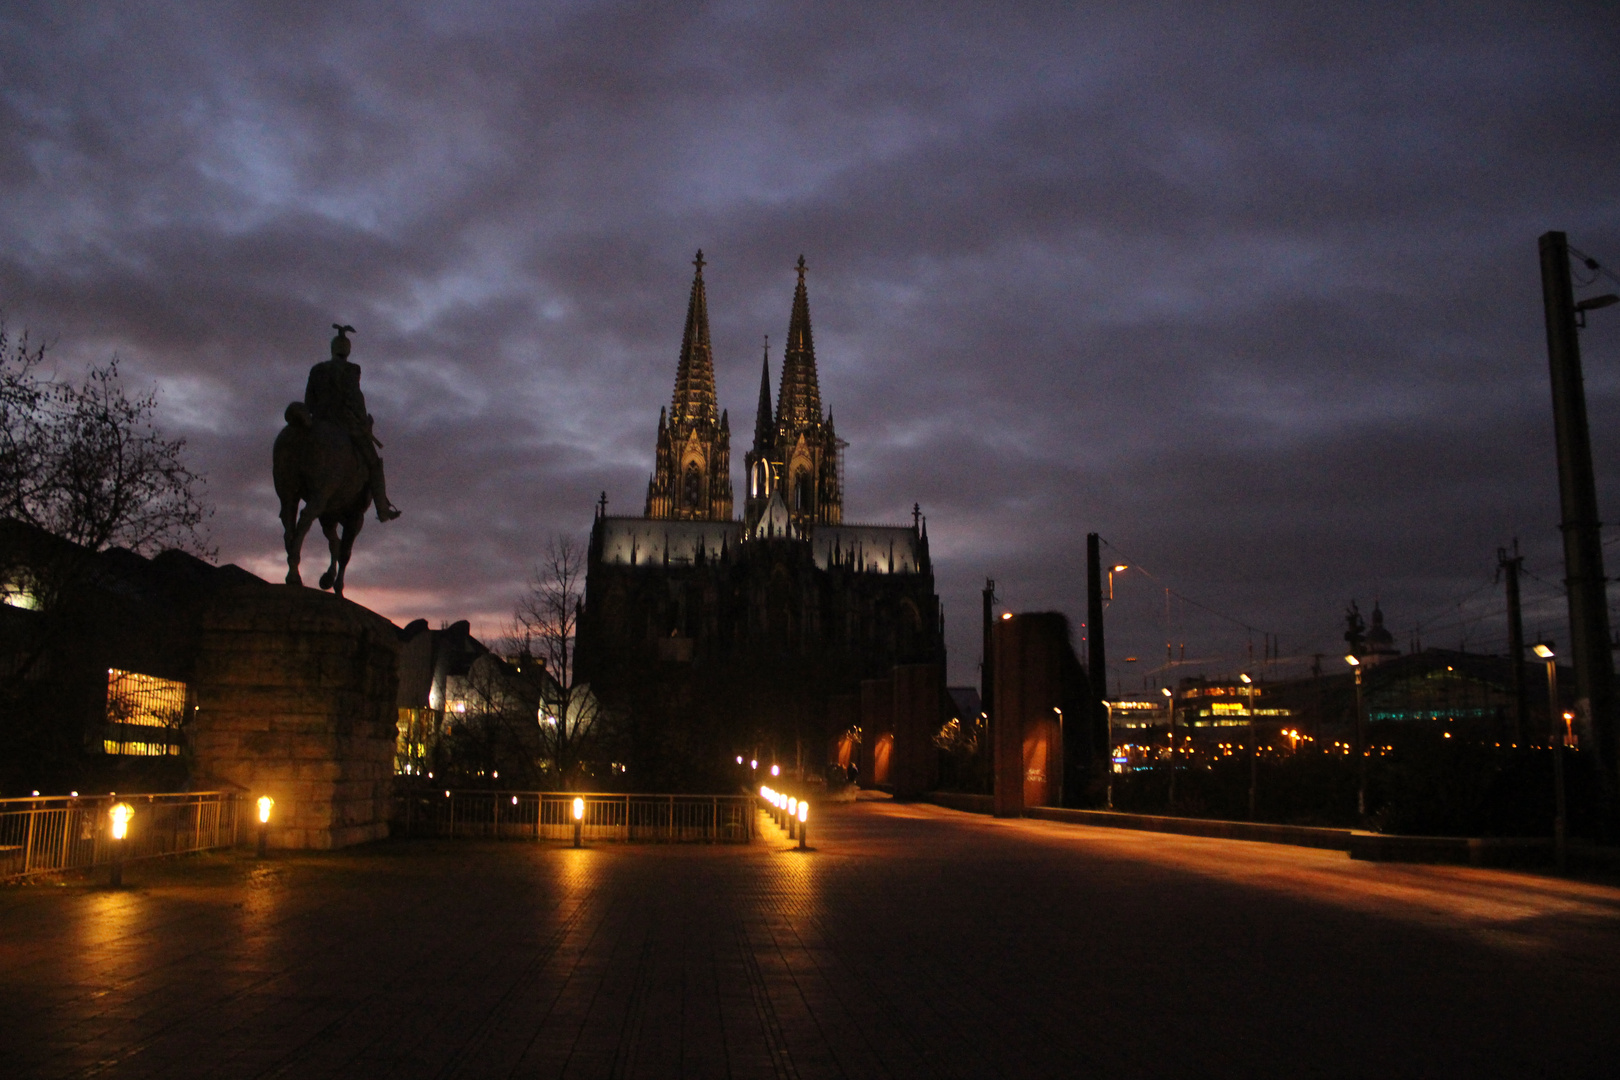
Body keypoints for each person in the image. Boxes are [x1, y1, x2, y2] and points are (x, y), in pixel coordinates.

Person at [304, 324, 402, 521]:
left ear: (333, 349)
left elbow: (309, 401)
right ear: (347, 351)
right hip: (346, 425)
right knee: (374, 463)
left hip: (318, 423)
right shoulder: (352, 370)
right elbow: (356, 399)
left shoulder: (317, 369)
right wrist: (364, 423)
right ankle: (382, 509)